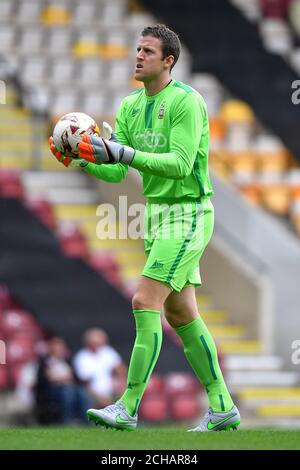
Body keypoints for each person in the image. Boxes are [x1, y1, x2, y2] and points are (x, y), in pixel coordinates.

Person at [49, 24, 240, 432]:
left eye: (148, 51)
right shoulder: (131, 105)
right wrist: (84, 158)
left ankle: (129, 404)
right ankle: (222, 405)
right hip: (156, 215)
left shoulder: (187, 102)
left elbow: (181, 164)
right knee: (180, 311)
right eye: (137, 49)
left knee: (144, 300)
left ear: (168, 61)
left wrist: (123, 150)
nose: (138, 56)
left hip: (188, 213)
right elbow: (120, 171)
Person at [35, 336, 89, 424]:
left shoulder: (67, 361)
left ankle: (86, 420)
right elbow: (42, 379)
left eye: (60, 346)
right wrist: (57, 380)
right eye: (55, 346)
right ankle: (66, 419)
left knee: (81, 392)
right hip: (51, 390)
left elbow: (75, 377)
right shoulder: (44, 361)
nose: (58, 348)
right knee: (67, 392)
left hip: (69, 387)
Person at [73, 328, 127, 407]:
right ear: (88, 343)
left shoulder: (107, 351)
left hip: (113, 392)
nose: (99, 345)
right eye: (95, 342)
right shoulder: (81, 357)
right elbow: (84, 384)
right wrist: (100, 398)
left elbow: (121, 369)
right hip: (92, 395)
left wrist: (122, 385)